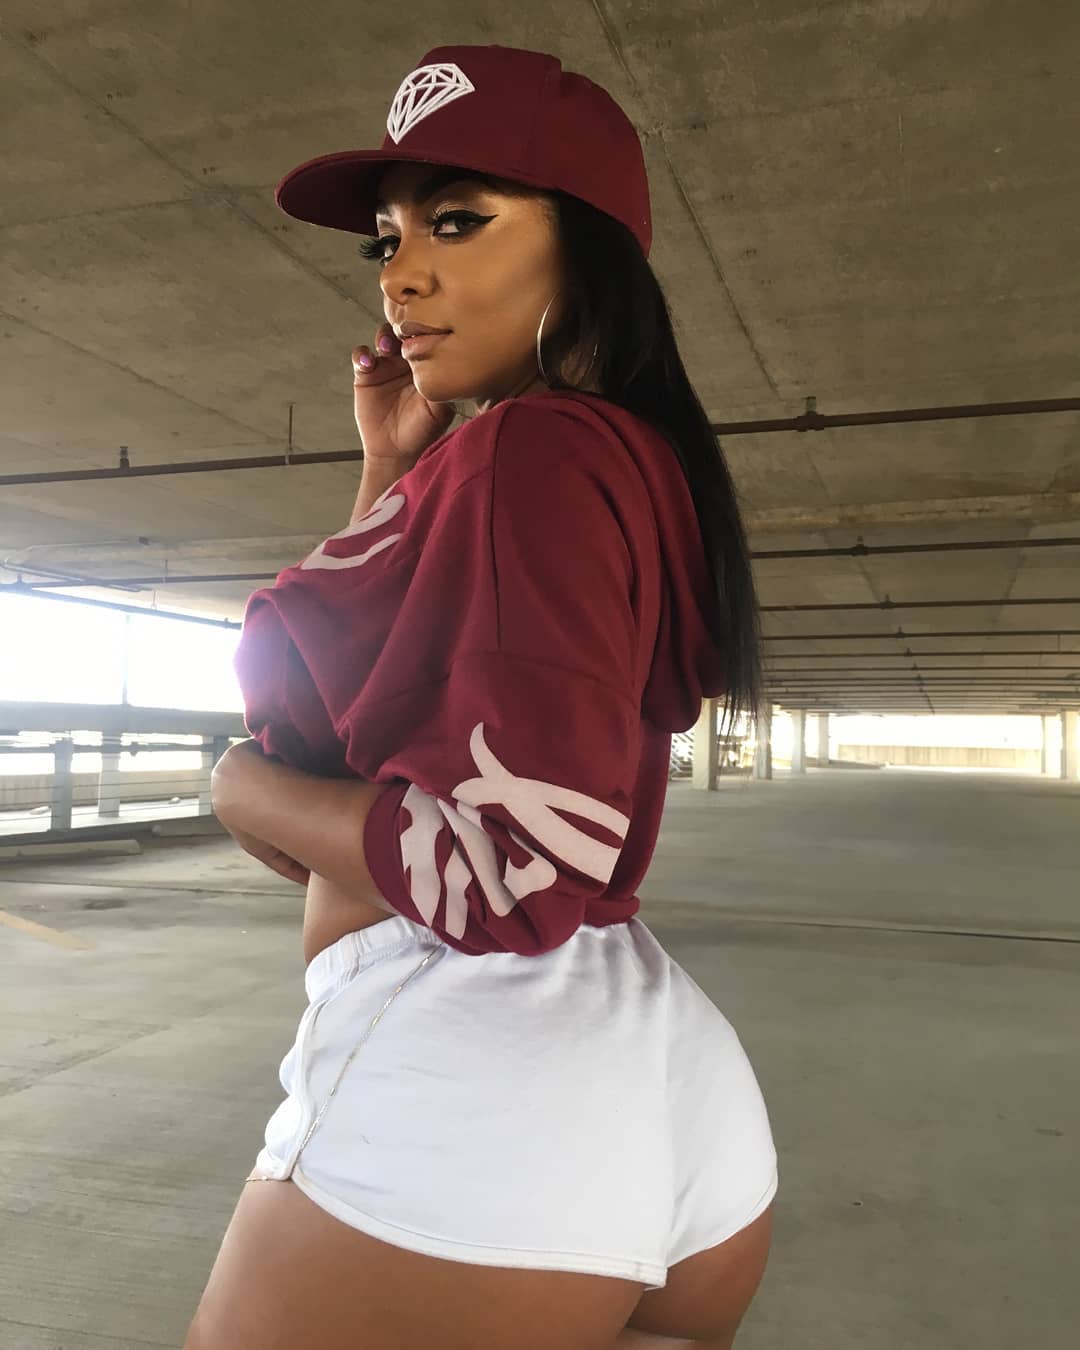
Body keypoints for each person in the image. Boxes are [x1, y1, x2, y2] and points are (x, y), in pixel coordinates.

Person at [184, 44, 777, 1350]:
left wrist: (243, 789)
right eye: (387, 239)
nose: (401, 274)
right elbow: (370, 708)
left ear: (590, 249)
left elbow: (509, 872)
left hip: (475, 1083)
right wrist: (395, 467)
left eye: (458, 221)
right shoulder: (611, 459)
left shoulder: (535, 451)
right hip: (651, 1076)